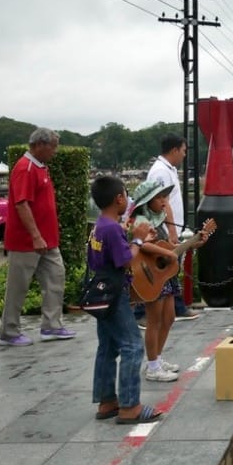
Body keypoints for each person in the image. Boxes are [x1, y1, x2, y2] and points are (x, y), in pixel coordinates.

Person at [87, 175, 163, 425]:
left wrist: (134, 239)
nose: (128, 199)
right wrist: (139, 240)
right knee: (132, 345)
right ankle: (130, 406)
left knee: (107, 347)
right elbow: (126, 260)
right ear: (119, 199)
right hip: (115, 293)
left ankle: (107, 400)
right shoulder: (111, 229)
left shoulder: (99, 226)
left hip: (100, 293)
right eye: (126, 195)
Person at [0, 128, 75, 347]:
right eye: (53, 146)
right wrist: (35, 235)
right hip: (27, 242)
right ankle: (9, 331)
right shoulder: (26, 168)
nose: (55, 151)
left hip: (47, 240)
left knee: (56, 278)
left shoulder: (41, 167)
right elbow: (21, 203)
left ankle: (52, 325)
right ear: (40, 145)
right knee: (18, 286)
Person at [129, 179, 209, 382]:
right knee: (154, 321)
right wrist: (168, 253)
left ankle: (156, 358)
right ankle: (153, 367)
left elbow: (170, 248)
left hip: (164, 276)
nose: (164, 202)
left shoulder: (160, 221)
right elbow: (142, 245)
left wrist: (192, 244)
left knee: (169, 318)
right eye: (159, 198)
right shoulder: (141, 221)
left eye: (164, 197)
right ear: (147, 201)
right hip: (150, 277)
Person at [146, 133, 199, 320]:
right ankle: (150, 309)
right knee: (165, 267)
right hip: (163, 228)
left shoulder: (170, 170)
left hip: (169, 226)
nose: (185, 155)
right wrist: (172, 231)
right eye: (183, 151)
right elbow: (163, 201)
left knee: (171, 267)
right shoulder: (161, 171)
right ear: (174, 150)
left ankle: (177, 307)